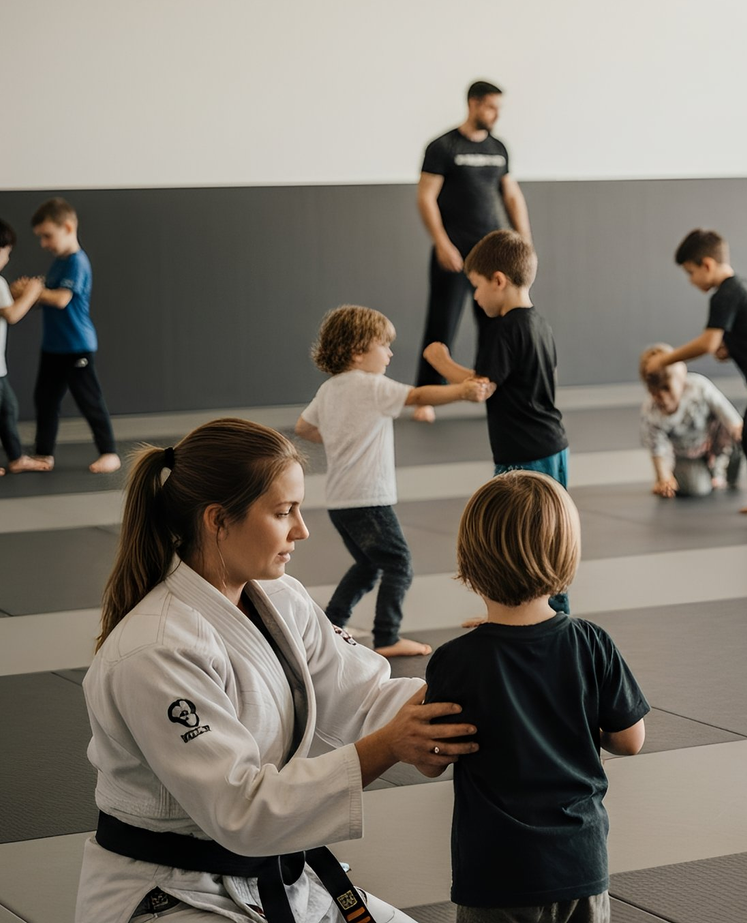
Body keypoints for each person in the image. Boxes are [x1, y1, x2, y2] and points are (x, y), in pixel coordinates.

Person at [76, 418, 478, 923]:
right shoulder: (157, 649)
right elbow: (243, 810)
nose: (302, 530)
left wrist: (483, 690)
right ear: (218, 520)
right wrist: (391, 745)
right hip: (172, 892)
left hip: (276, 876)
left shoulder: (280, 597)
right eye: (284, 512)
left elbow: (367, 696)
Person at [423, 471, 649, 921]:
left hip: (496, 870)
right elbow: (630, 740)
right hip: (580, 862)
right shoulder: (591, 643)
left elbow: (431, 761)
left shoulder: (456, 660)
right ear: (566, 555)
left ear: (470, 558)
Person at [295, 306, 491, 657]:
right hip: (368, 500)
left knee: (368, 565)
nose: (390, 353)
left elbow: (303, 427)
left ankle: (331, 624)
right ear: (358, 352)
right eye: (383, 346)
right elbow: (417, 396)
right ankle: (387, 636)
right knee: (399, 563)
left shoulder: (329, 389)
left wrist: (339, 438)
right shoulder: (371, 386)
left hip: (340, 501)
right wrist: (461, 391)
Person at [423, 231, 571, 614]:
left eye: (476, 286)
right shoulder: (540, 323)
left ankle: (526, 617)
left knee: (516, 536)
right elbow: (499, 378)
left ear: (499, 280)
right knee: (551, 534)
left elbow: (480, 388)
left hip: (523, 453)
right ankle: (555, 614)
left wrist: (441, 364)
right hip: (554, 446)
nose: (474, 297)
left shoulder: (503, 329)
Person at [642, 230, 747, 533]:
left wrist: (665, 360)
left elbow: (707, 343)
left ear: (707, 265)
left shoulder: (725, 294)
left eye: (690, 273)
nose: (691, 281)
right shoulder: (739, 288)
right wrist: (729, 348)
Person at [413, 79, 532, 423]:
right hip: (454, 252)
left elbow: (511, 195)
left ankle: (488, 388)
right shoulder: (443, 146)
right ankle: (426, 397)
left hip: (492, 254)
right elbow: (425, 197)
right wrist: (442, 243)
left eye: (499, 108)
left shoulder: (498, 148)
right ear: (474, 104)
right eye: (491, 107)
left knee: (495, 325)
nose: (496, 114)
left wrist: (524, 240)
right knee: (441, 322)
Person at [27, 198, 121, 474]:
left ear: (67, 227)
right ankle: (44, 453)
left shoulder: (77, 262)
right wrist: (29, 293)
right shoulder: (59, 262)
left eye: (47, 236)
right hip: (53, 347)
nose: (43, 243)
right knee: (45, 400)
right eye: (40, 237)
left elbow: (61, 299)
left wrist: (34, 291)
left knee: (89, 400)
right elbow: (46, 296)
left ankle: (109, 452)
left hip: (76, 346)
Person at [640, 343, 743, 499]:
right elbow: (657, 448)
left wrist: (736, 427)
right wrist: (664, 478)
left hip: (713, 442)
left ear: (681, 380)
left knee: (743, 433)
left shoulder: (698, 387)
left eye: (666, 388)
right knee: (697, 488)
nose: (662, 397)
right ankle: (695, 472)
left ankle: (724, 474)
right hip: (687, 454)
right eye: (653, 391)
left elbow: (722, 408)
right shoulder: (651, 412)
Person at [0, 215, 44, 475]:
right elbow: (11, 314)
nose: (7, 259)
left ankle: (16, 457)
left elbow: (1, 306)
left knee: (7, 408)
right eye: (6, 253)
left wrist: (16, 293)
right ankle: (15, 457)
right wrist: (32, 292)